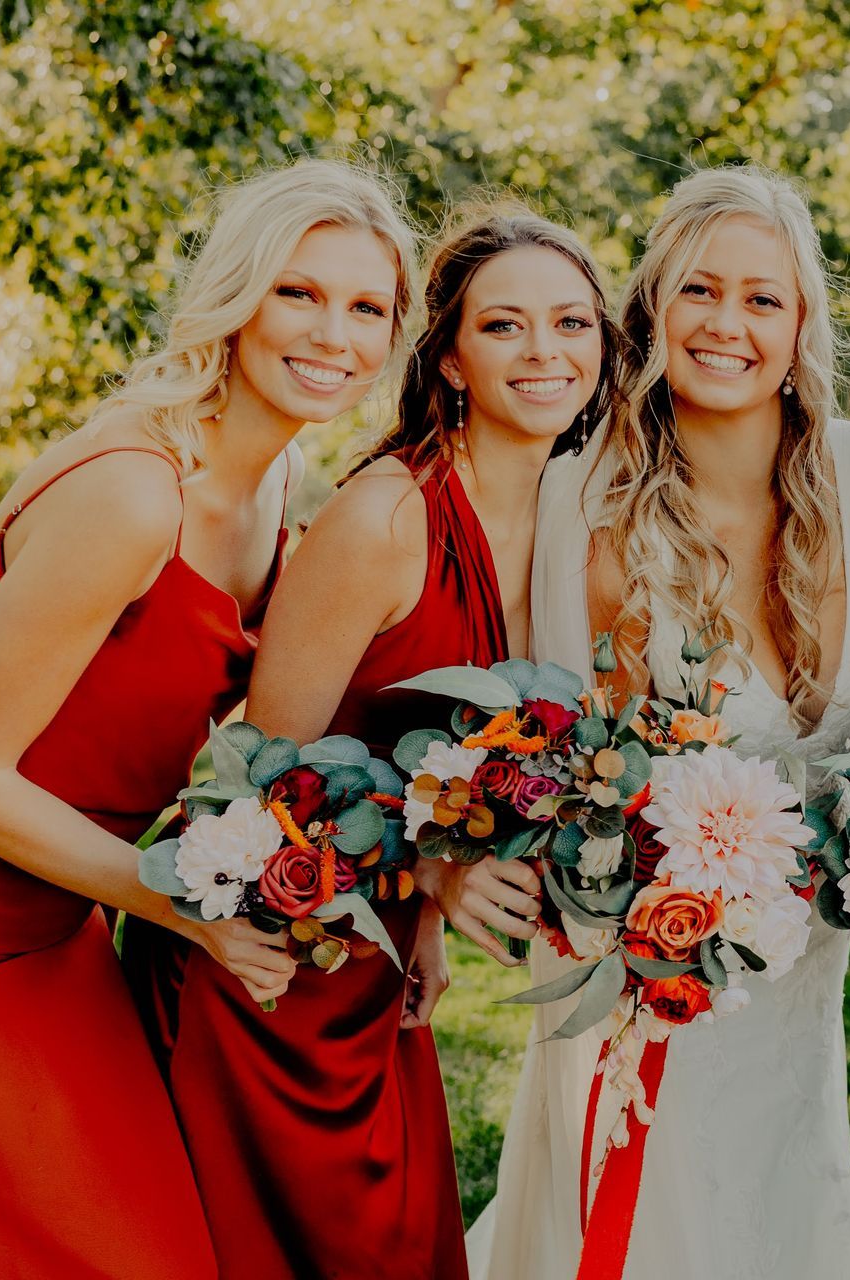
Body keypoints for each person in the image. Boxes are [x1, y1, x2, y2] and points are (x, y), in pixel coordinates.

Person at [0, 159, 416, 1277]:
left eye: (367, 306)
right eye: (299, 292)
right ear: (238, 297)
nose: (333, 332)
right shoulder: (135, 491)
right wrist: (185, 908)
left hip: (63, 926)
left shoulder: (279, 493)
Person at [121, 201, 617, 1279]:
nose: (546, 352)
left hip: (375, 962)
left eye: (573, 324)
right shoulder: (390, 515)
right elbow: (266, 777)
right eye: (505, 326)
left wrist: (423, 918)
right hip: (265, 966)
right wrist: (435, 873)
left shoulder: (573, 522)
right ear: (446, 358)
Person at [467, 165, 850, 1280]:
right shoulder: (585, 495)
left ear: (803, 322)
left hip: (806, 976)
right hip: (647, 975)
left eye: (764, 298)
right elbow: (554, 753)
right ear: (652, 308)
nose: (729, 324)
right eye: (701, 290)